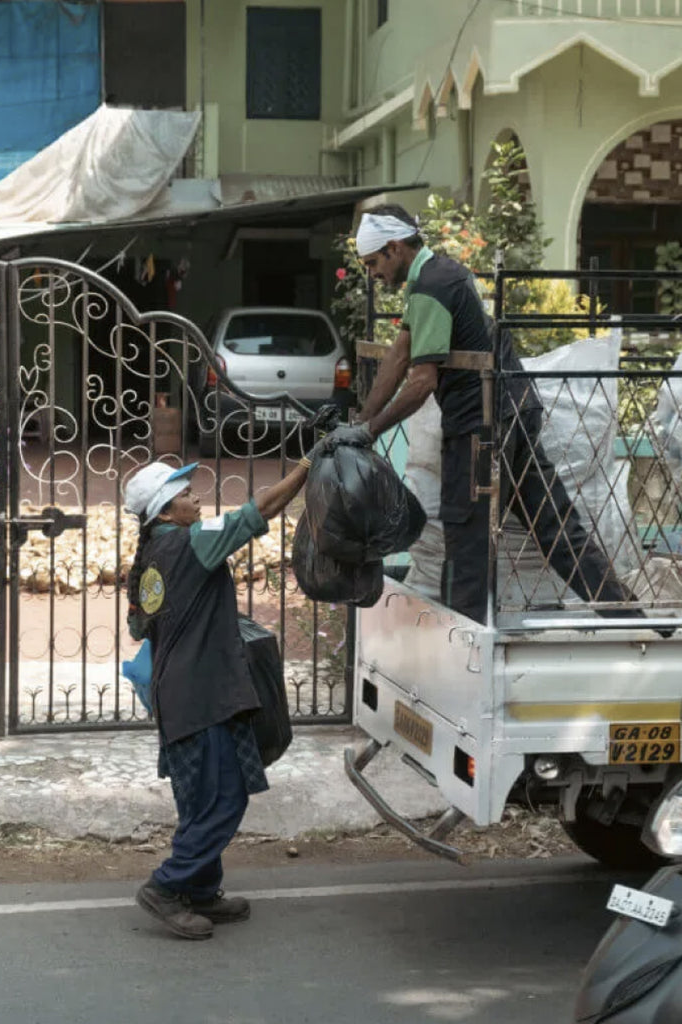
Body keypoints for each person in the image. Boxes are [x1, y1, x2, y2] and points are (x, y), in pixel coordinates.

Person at [334, 203, 637, 625]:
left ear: (395, 247)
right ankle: (631, 618)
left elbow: (422, 381)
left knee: (466, 539)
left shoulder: (431, 287)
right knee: (555, 528)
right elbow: (400, 354)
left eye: (373, 263)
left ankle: (465, 644)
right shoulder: (439, 274)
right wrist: (363, 421)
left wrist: (370, 431)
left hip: (481, 427)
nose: (372, 274)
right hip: (512, 411)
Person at [124, 452, 314, 940]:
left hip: (178, 695)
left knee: (198, 798)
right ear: (166, 511)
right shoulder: (192, 542)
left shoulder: (151, 558)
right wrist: (307, 466)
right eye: (186, 495)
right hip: (204, 695)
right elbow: (261, 509)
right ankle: (167, 886)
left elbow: (138, 628)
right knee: (225, 798)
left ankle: (201, 890)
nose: (196, 499)